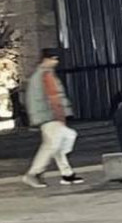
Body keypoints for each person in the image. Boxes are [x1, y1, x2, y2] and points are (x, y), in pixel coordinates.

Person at [22, 48, 84, 189]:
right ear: (46, 59)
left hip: (51, 115)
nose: (56, 62)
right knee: (55, 143)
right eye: (53, 59)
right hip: (49, 116)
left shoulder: (45, 75)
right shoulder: (43, 76)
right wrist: (55, 114)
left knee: (56, 144)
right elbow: (47, 98)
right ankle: (33, 173)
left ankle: (67, 173)